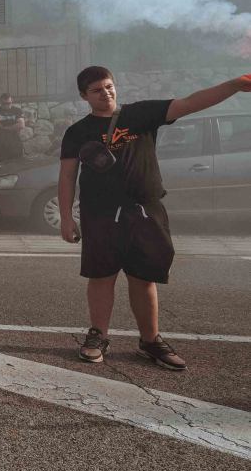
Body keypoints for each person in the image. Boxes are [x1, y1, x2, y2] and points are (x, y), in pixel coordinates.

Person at [59, 66, 251, 370]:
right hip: (100, 214)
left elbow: (191, 103)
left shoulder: (139, 114)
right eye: (96, 90)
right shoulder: (77, 132)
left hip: (145, 210)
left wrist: (235, 85)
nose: (105, 93)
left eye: (109, 86)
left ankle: (150, 341)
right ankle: (98, 337)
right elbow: (68, 176)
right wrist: (66, 216)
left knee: (144, 278)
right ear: (84, 95)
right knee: (101, 277)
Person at [0, 93, 25, 163]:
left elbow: (21, 125)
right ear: (0, 103)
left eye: (9, 103)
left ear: (12, 102)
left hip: (15, 145)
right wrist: (12, 126)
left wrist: (3, 127)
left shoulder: (17, 111)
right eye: (4, 104)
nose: (6, 106)